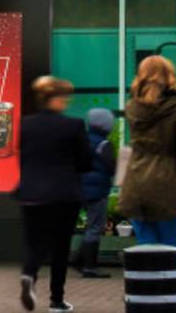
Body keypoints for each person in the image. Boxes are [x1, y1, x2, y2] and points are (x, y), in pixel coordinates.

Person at [13, 76, 92, 313]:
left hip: (30, 192)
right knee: (60, 247)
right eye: (64, 98)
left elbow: (23, 158)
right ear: (55, 99)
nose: (66, 102)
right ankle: (57, 301)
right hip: (64, 193)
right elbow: (85, 162)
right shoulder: (74, 125)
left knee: (34, 243)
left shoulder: (25, 124)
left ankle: (29, 275)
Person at [116, 55, 176, 246]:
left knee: (145, 248)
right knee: (171, 249)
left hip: (135, 183)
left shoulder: (132, 106)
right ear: (169, 76)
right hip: (168, 184)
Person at [76, 108, 117, 279]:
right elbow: (111, 168)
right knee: (94, 227)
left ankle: (79, 260)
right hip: (97, 191)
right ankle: (89, 266)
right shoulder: (104, 145)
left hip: (77, 189)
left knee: (82, 227)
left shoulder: (80, 140)